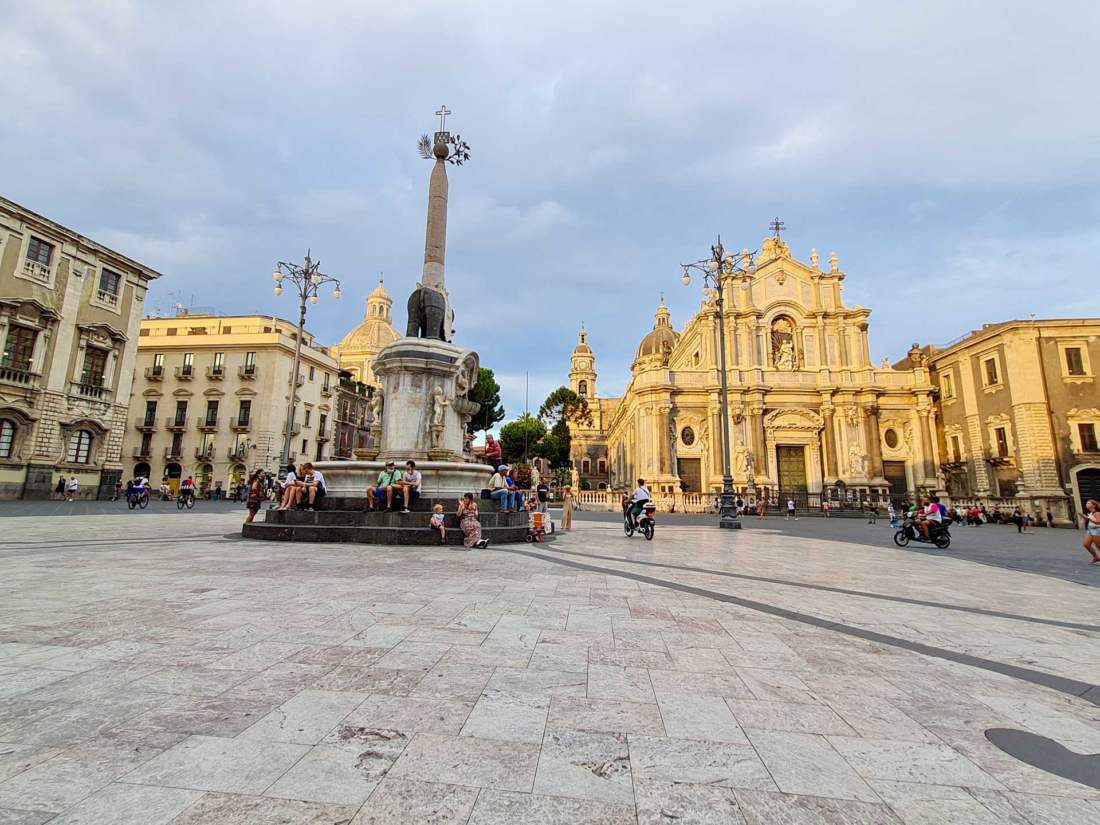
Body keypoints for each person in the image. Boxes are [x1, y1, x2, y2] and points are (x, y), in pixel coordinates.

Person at [1079, 500, 1100, 564]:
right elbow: (1084, 521)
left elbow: (1098, 522)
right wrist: (1083, 519)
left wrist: (1087, 518)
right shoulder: (1090, 513)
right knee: (1086, 544)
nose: (1086, 504)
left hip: (1097, 529)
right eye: (1086, 503)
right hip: (1090, 530)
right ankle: (1096, 557)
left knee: (1098, 545)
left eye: (1088, 503)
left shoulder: (1097, 513)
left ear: (1094, 505)